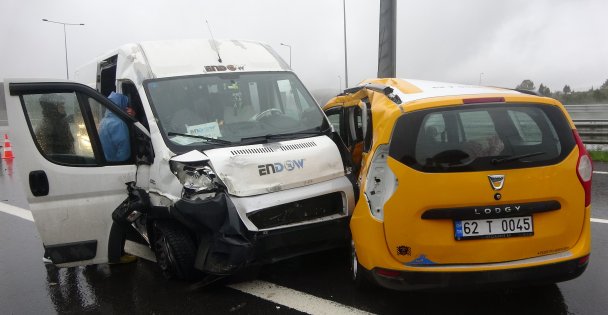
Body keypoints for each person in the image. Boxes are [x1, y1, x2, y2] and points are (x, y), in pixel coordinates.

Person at [99, 92, 134, 162]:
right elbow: (124, 152)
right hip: (117, 164)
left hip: (106, 162)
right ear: (119, 105)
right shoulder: (119, 124)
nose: (126, 107)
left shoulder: (103, 121)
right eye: (125, 105)